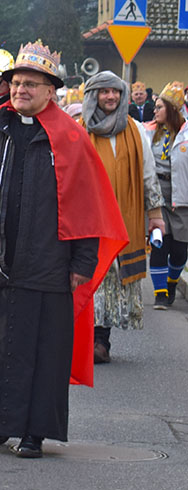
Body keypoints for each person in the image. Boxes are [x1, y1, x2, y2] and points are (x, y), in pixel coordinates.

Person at [0, 39, 127, 459]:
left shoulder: (72, 139)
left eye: (31, 83)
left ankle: (34, 432)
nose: (20, 89)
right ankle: (0, 421)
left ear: (51, 91)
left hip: (48, 267)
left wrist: (83, 261)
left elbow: (89, 207)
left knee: (42, 355)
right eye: (16, 82)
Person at [80, 71, 165, 363]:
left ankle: (101, 340)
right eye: (104, 92)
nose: (110, 97)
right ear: (93, 95)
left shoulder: (135, 130)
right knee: (89, 275)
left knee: (113, 277)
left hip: (123, 218)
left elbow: (148, 174)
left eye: (115, 92)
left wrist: (155, 215)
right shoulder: (79, 130)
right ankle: (86, 337)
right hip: (88, 219)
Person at [146, 82, 188, 307]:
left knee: (180, 250)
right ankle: (160, 293)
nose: (155, 111)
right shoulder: (149, 131)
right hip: (157, 194)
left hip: (182, 196)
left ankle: (171, 283)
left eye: (160, 107)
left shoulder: (186, 133)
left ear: (171, 109)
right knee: (160, 243)